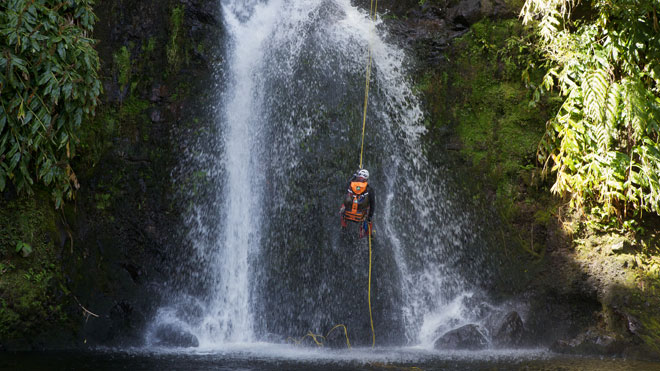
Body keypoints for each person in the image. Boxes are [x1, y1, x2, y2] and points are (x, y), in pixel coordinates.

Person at [340, 168, 375, 237]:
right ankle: (368, 233)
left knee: (343, 205)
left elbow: (343, 189)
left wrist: (353, 177)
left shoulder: (350, 185)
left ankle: (344, 226)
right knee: (368, 210)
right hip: (360, 216)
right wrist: (370, 217)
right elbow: (373, 204)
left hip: (348, 214)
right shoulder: (369, 189)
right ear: (367, 179)